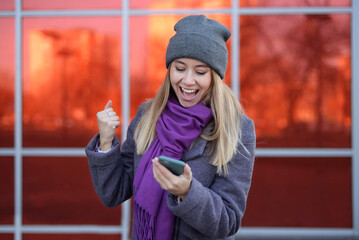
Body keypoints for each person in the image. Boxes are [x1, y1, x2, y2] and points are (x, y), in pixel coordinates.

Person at [85, 14, 256, 240]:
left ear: (215, 77)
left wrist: (187, 192)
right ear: (170, 69)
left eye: (200, 72)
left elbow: (228, 221)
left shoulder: (237, 129)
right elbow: (113, 193)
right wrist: (106, 142)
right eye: (180, 68)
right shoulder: (148, 116)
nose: (187, 80)